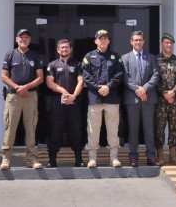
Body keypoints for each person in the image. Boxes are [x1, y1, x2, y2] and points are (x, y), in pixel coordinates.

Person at [0, 28, 45, 171]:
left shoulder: (35, 56)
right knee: (10, 127)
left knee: (31, 128)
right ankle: (6, 159)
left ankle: (32, 160)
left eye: (26, 37)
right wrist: (18, 87)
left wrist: (26, 87)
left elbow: (40, 78)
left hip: (30, 96)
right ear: (16, 39)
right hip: (13, 96)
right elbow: (4, 76)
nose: (23, 39)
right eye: (21, 37)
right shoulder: (10, 55)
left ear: (29, 40)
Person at [81, 29, 125, 168]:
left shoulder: (115, 57)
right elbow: (86, 76)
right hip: (95, 99)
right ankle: (92, 158)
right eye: (100, 38)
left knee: (113, 130)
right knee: (93, 130)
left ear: (109, 41)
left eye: (105, 38)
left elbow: (119, 74)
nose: (103, 40)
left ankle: (114, 159)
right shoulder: (88, 57)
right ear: (96, 41)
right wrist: (98, 88)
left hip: (111, 98)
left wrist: (108, 86)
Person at [121, 30, 159, 167]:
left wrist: (145, 88)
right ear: (131, 42)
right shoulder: (125, 58)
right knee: (133, 129)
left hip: (148, 98)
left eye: (140, 40)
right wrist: (138, 90)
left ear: (144, 41)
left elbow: (155, 75)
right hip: (132, 99)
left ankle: (151, 156)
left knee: (149, 129)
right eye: (135, 40)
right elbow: (125, 77)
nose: (138, 42)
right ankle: (133, 156)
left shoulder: (151, 57)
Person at [45, 39, 85, 168]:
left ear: (71, 49)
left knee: (76, 131)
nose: (64, 49)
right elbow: (49, 82)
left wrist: (73, 96)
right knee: (55, 131)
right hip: (57, 103)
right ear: (58, 50)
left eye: (66, 47)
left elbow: (81, 81)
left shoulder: (78, 64)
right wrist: (62, 91)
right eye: (62, 47)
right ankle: (52, 159)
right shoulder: (53, 64)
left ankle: (79, 159)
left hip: (74, 103)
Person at [155, 32, 176, 165]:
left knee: (174, 128)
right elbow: (153, 80)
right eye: (166, 42)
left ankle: (173, 156)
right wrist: (164, 93)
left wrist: (173, 92)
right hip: (160, 101)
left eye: (171, 43)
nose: (169, 45)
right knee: (159, 128)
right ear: (162, 44)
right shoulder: (155, 60)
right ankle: (160, 156)